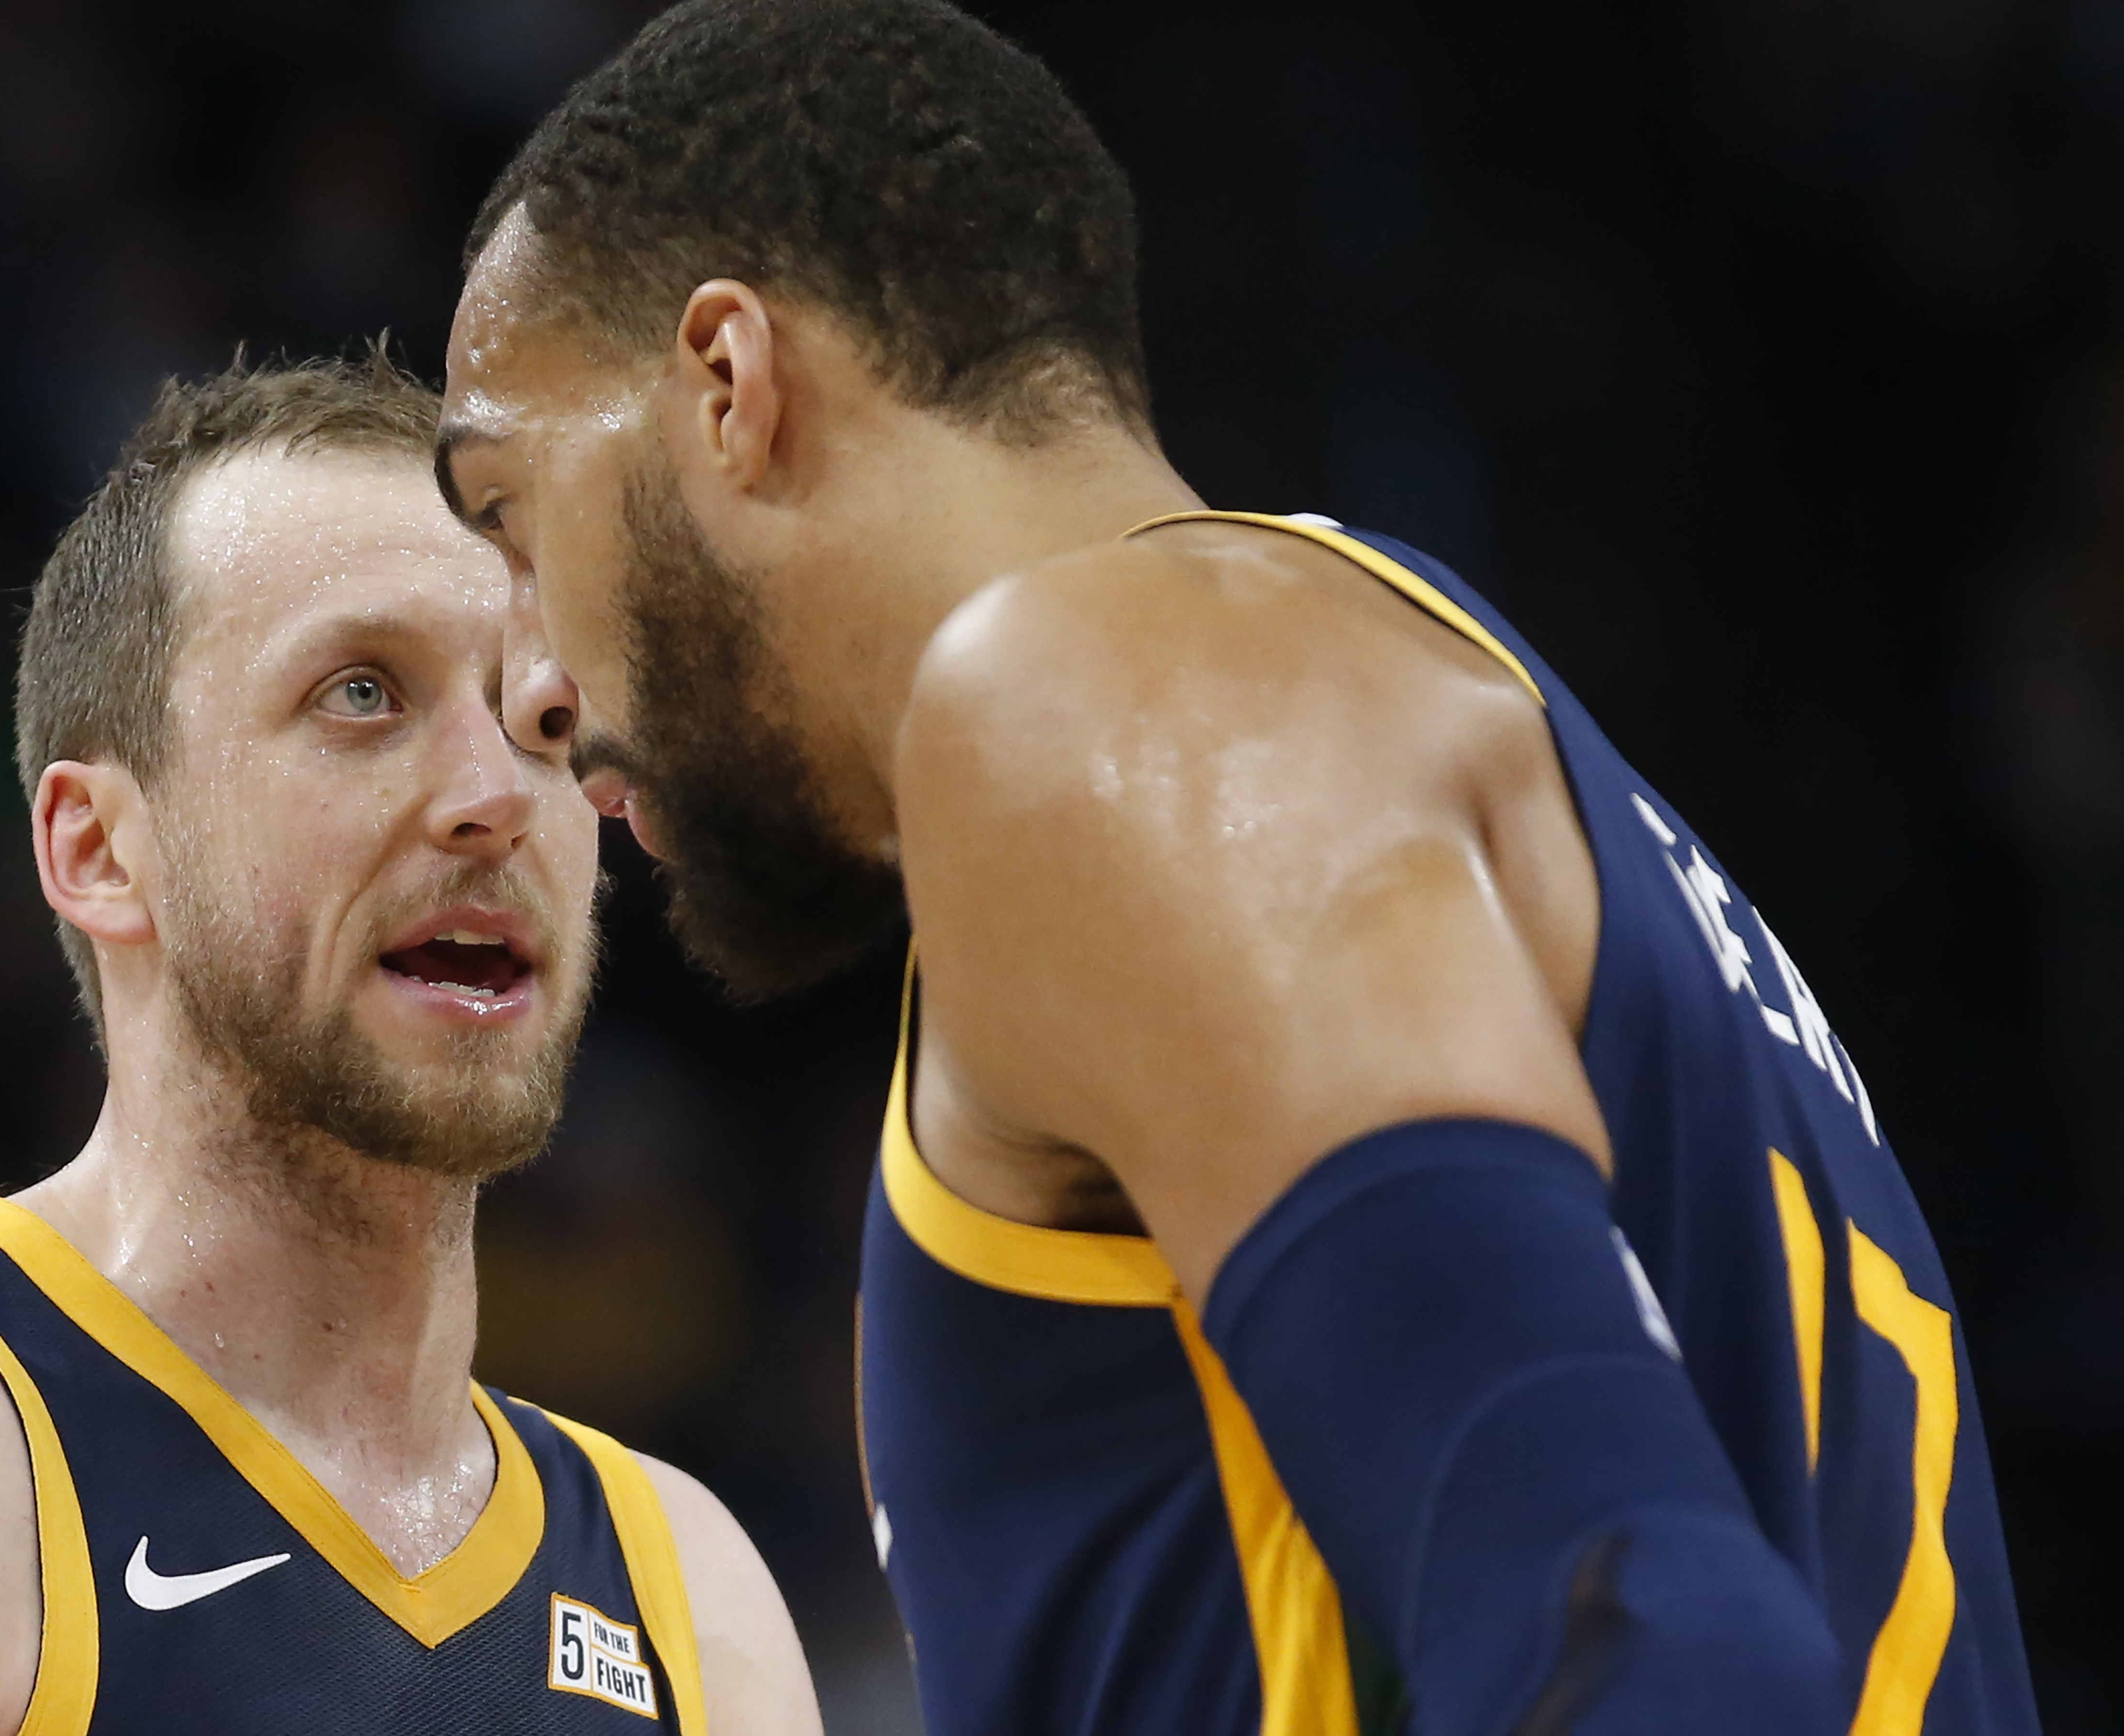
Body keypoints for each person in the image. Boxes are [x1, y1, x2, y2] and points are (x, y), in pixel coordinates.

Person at [429, 4, 2040, 1734]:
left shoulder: (1105, 701)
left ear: (730, 384)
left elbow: (1648, 1633)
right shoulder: (1392, 691)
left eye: (507, 516)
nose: (525, 680)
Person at [0, 355, 823, 1736]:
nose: (496, 794)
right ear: (99, 849)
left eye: (544, 718)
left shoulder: (691, 1598)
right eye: (365, 696)